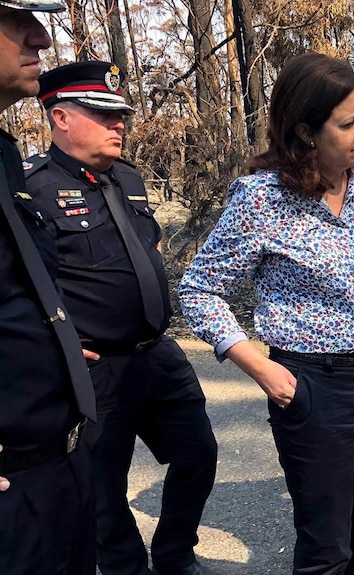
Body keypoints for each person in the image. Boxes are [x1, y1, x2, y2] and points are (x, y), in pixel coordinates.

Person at [179, 52, 354, 575]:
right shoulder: (261, 199)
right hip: (315, 386)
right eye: (348, 123)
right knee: (327, 547)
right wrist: (262, 369)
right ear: (305, 131)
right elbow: (198, 290)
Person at [24, 61, 218, 575]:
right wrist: (52, 345)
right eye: (102, 114)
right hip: (94, 366)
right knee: (104, 484)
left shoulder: (128, 178)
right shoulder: (31, 190)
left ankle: (175, 555)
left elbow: (144, 245)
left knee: (198, 453)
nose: (120, 125)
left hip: (156, 354)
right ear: (60, 117)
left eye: (121, 115)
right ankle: (125, 566)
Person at [0, 2, 97, 574]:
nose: (41, 37)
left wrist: (50, 342)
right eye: (16, 19)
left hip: (57, 454)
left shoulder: (3, 154)